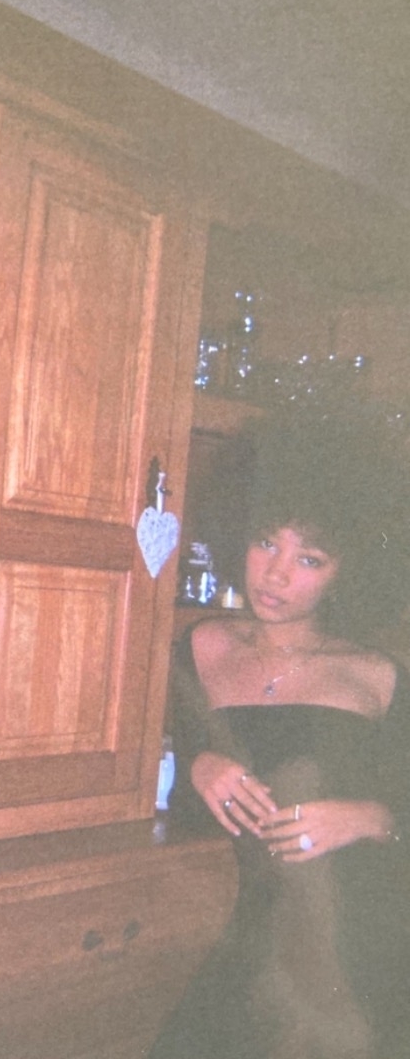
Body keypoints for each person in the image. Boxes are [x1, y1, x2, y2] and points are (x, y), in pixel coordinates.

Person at [149, 406, 410, 1059]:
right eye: (266, 542)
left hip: (351, 950)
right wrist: (197, 761)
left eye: (309, 558)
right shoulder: (199, 648)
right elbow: (154, 785)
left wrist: (372, 818)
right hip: (230, 937)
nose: (275, 573)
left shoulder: (379, 677)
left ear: (348, 570)